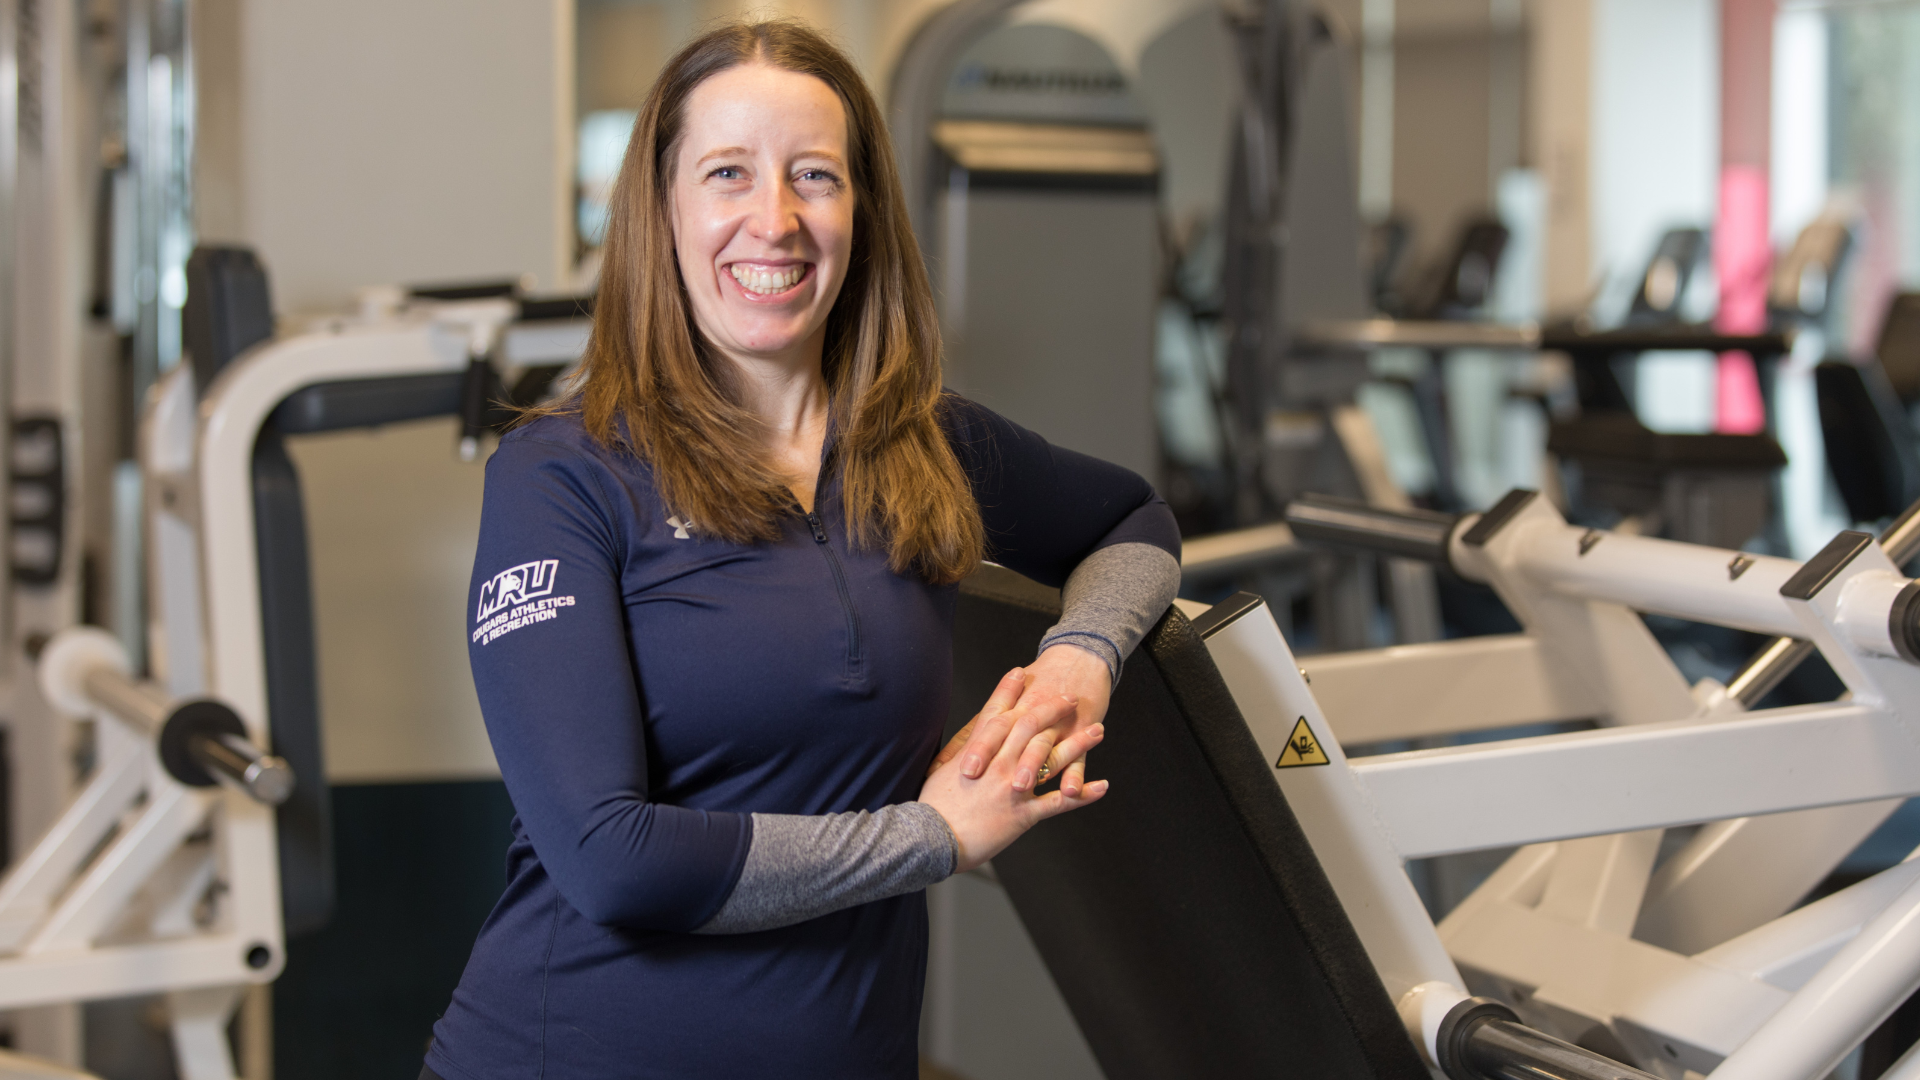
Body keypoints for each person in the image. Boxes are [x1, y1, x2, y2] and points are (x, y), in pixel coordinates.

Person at [423, 19, 1181, 1080]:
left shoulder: (926, 444)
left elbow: (1132, 523)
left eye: (813, 176)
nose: (772, 220)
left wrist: (1080, 660)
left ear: (862, 213)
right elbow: (612, 862)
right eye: (727, 172)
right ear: (665, 209)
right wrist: (933, 836)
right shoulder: (565, 475)